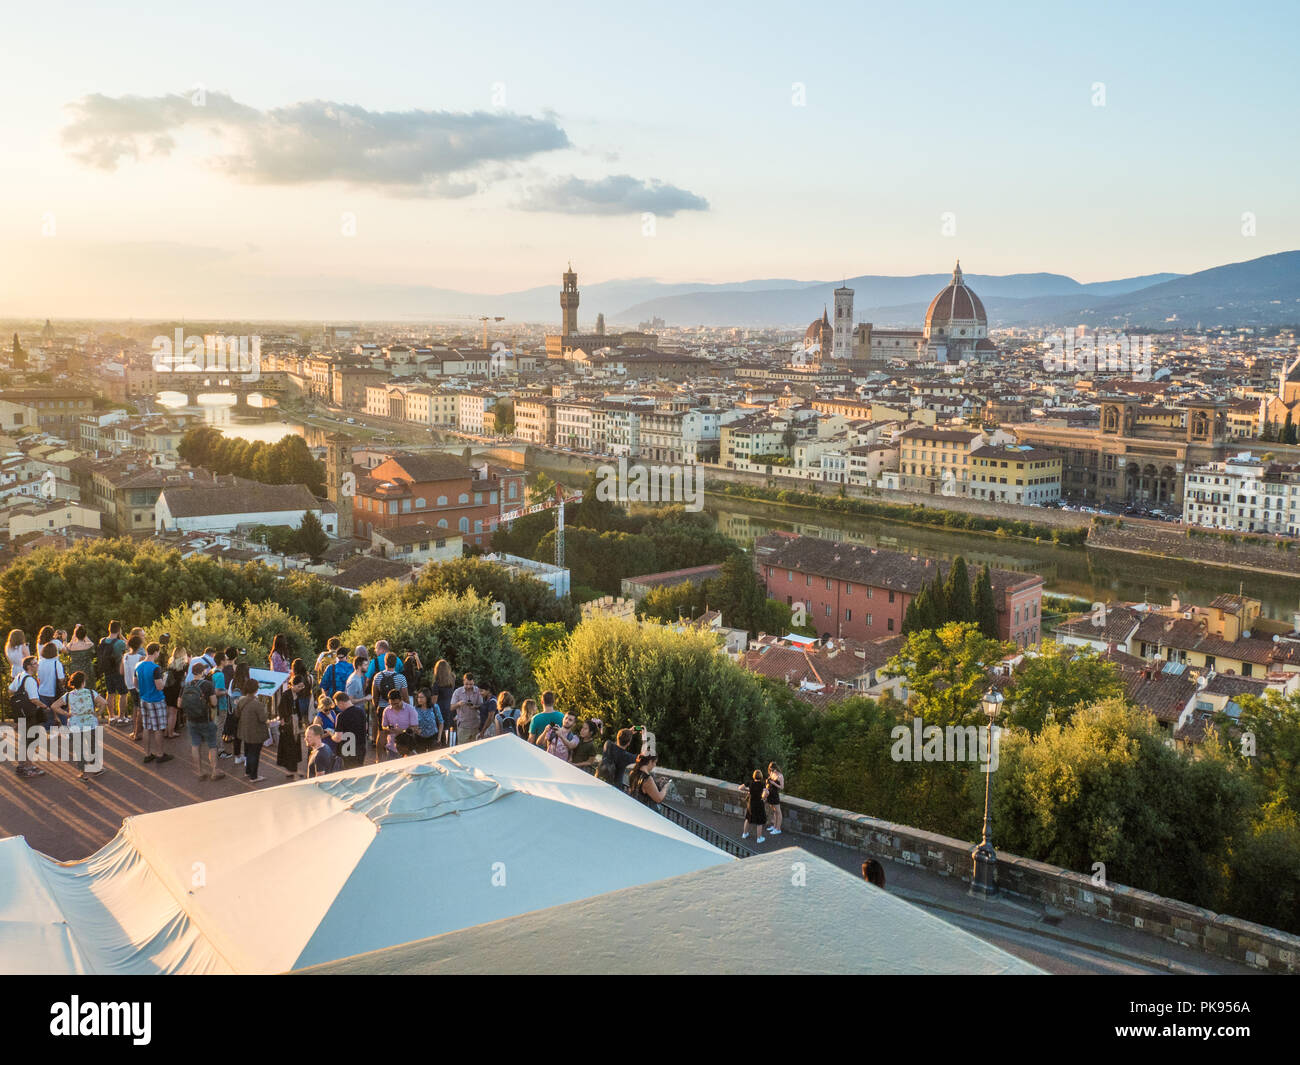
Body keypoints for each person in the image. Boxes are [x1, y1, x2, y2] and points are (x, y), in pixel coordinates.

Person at [49, 670, 107, 782]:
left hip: (75, 724)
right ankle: (96, 768)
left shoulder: (69, 695)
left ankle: (84, 773)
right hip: (90, 723)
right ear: (83, 682)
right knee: (92, 745)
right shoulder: (91, 692)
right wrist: (98, 713)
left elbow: (54, 706)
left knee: (79, 748)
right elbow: (104, 702)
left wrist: (67, 714)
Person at [183, 661, 223, 780]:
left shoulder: (187, 685)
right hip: (206, 719)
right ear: (202, 672)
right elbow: (214, 702)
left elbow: (179, 703)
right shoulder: (207, 685)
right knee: (212, 745)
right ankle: (215, 771)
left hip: (191, 719)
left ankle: (199, 771)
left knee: (195, 745)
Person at [134, 642, 172, 767]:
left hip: (144, 699)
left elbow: (135, 684)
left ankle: (147, 754)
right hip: (156, 700)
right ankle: (160, 754)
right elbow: (159, 686)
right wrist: (165, 679)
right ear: (156, 652)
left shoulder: (138, 666)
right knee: (158, 728)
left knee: (146, 727)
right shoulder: (155, 668)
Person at [7, 656, 45, 778]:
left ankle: (23, 765)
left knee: (25, 740)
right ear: (29, 666)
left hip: (22, 713)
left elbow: (10, 689)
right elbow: (34, 699)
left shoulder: (20, 676)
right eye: (35, 663)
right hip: (30, 713)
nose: (37, 665)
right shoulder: (30, 680)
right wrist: (45, 706)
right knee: (31, 740)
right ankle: (28, 767)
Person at [234, 678, 268, 782]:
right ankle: (254, 776)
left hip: (244, 730)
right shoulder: (257, 703)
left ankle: (248, 771)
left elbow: (237, 714)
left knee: (248, 751)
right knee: (255, 753)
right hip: (256, 732)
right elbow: (263, 718)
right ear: (256, 689)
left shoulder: (241, 700)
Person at [98, 622, 128, 724]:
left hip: (107, 670)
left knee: (110, 693)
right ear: (119, 630)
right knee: (123, 694)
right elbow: (129, 646)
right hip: (118, 670)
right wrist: (122, 635)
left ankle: (111, 716)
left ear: (109, 629)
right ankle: (121, 717)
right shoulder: (120, 643)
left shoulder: (102, 640)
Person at [330, 692, 367, 770]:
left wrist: (331, 735)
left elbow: (338, 738)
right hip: (361, 748)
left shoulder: (341, 716)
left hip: (348, 750)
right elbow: (365, 728)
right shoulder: (361, 711)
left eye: (337, 704)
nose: (338, 707)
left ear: (340, 702)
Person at [275, 678, 302, 779]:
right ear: (292, 685)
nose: (300, 688)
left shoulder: (296, 694)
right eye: (299, 686)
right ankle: (289, 770)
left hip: (294, 721)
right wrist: (283, 720)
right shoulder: (286, 694)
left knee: (295, 744)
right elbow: (281, 708)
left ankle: (293, 769)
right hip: (288, 722)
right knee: (289, 745)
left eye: (301, 686)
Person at [380, 688, 418, 759]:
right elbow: (383, 727)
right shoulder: (387, 710)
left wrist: (402, 731)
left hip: (407, 747)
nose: (394, 706)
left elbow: (415, 727)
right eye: (392, 704)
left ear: (401, 700)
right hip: (392, 747)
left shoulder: (410, 709)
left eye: (396, 704)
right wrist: (388, 729)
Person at [163, 645, 190, 740]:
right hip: (177, 689)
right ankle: (170, 732)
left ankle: (166, 731)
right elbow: (186, 678)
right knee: (173, 712)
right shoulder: (185, 665)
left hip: (167, 688)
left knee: (167, 711)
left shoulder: (170, 663)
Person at [121, 634, 145, 741]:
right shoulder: (140, 658)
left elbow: (121, 671)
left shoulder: (125, 656)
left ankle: (134, 730)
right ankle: (138, 732)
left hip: (129, 684)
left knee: (135, 707)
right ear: (139, 645)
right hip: (139, 685)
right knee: (141, 708)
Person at [451, 672, 485, 744]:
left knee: (475, 749)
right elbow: (451, 707)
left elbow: (482, 706)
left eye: (471, 684)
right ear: (463, 681)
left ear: (474, 682)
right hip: (463, 726)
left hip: (476, 726)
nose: (469, 686)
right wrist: (458, 704)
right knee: (462, 748)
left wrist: (476, 706)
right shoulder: (457, 692)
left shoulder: (478, 691)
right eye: (466, 684)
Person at [65, 625, 96, 694]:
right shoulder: (89, 645)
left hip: (74, 671)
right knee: (89, 692)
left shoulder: (71, 647)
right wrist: (85, 635)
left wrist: (74, 633)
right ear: (84, 635)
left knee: (75, 692)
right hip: (87, 671)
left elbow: (69, 645)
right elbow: (92, 644)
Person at [36, 640, 66, 709]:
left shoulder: (40, 662)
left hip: (42, 691)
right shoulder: (57, 663)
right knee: (60, 712)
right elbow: (61, 678)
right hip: (54, 692)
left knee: (47, 715)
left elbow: (38, 678)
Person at [740, 770, 767, 844]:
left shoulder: (750, 782)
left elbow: (740, 788)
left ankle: (744, 834)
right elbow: (765, 793)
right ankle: (759, 838)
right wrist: (763, 798)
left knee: (748, 818)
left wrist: (748, 790)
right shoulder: (762, 784)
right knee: (759, 821)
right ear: (761, 776)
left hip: (751, 803)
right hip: (759, 803)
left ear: (754, 776)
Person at [412, 688, 442, 752]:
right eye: (418, 697)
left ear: (427, 697)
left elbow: (441, 722)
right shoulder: (414, 709)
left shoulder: (435, 707)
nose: (419, 699)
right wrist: (415, 730)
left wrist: (439, 739)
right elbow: (411, 724)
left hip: (433, 737)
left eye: (422, 697)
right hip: (419, 738)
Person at [432, 659, 455, 742]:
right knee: (449, 730)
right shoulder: (452, 680)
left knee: (440, 732)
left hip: (440, 708)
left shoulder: (436, 684)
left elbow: (434, 701)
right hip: (450, 706)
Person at [765, 762, 785, 836]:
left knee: (778, 812)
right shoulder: (771, 773)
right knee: (774, 811)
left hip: (775, 795)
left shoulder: (780, 776)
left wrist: (774, 783)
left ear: (776, 768)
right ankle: (774, 826)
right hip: (770, 794)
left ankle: (778, 829)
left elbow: (782, 787)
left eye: (773, 770)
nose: (772, 771)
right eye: (770, 770)